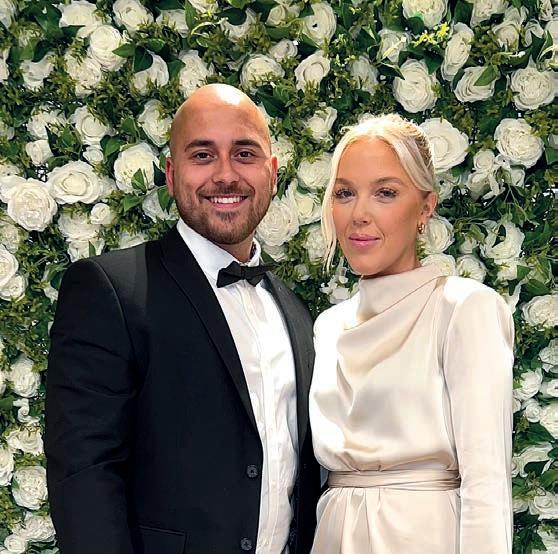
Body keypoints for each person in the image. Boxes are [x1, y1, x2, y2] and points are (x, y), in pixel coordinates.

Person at [45, 84, 321, 554]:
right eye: (202, 155)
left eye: (245, 153)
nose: (226, 174)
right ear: (172, 175)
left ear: (272, 173)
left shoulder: (295, 312)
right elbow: (84, 475)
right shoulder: (110, 290)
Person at [309, 114, 514, 553]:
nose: (359, 214)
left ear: (425, 207)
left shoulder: (463, 309)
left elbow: (487, 484)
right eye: (345, 193)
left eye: (385, 192)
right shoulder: (327, 326)